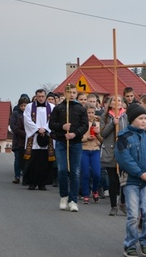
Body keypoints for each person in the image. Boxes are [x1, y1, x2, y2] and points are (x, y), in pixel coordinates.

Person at [115, 103, 146, 257]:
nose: (144, 121)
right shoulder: (123, 137)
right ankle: (130, 244)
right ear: (132, 119)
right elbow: (124, 159)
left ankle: (145, 242)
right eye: (141, 118)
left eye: (145, 118)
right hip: (130, 181)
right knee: (133, 214)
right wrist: (139, 173)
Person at [49, 84, 89, 212]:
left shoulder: (80, 109)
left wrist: (75, 133)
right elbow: (51, 124)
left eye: (73, 92)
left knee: (75, 172)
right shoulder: (59, 108)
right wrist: (62, 127)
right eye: (69, 92)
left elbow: (85, 125)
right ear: (64, 93)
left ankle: (73, 200)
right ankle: (64, 196)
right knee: (62, 170)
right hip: (61, 142)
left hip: (76, 143)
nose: (71, 94)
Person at [100, 95, 128, 216]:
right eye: (115, 100)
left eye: (120, 101)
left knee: (124, 180)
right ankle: (113, 205)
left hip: (123, 151)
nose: (117, 102)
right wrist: (113, 124)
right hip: (110, 151)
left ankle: (123, 202)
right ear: (110, 104)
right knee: (113, 180)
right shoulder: (105, 117)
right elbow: (103, 133)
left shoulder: (126, 116)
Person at [23, 89, 55, 191]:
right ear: (36, 96)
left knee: (44, 162)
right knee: (33, 161)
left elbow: (53, 120)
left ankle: (43, 183)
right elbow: (27, 119)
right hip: (33, 137)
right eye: (39, 96)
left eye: (42, 96)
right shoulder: (29, 107)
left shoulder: (52, 107)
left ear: (45, 96)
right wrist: (37, 129)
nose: (41, 98)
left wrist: (45, 129)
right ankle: (32, 183)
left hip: (47, 136)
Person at [80, 103, 103, 204]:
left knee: (97, 173)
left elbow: (102, 140)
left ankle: (95, 190)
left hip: (95, 150)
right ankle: (85, 194)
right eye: (88, 113)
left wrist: (97, 134)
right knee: (85, 173)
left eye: (92, 112)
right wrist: (86, 138)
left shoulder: (98, 124)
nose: (91, 115)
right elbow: (78, 138)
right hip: (84, 150)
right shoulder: (82, 124)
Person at [10, 96, 30, 184]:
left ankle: (26, 176)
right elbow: (13, 126)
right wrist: (24, 133)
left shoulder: (30, 113)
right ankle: (17, 176)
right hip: (18, 140)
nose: (23, 107)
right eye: (22, 106)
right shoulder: (15, 113)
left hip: (29, 140)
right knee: (18, 158)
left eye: (25, 105)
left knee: (26, 159)